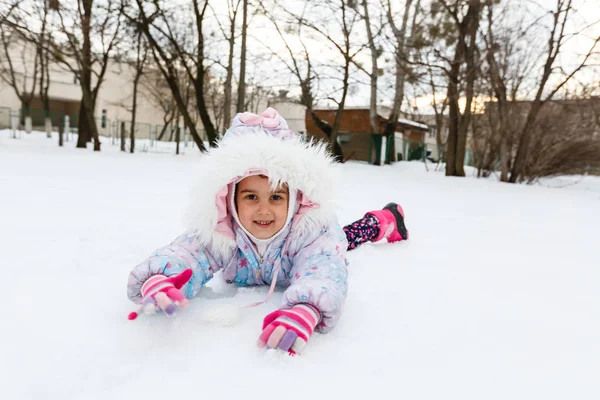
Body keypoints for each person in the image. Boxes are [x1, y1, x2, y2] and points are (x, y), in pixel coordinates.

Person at [126, 108, 408, 355]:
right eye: (250, 197)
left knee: (345, 239)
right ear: (228, 199)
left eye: (275, 197)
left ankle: (384, 219)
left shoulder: (310, 232)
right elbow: (186, 253)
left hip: (318, 240)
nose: (264, 210)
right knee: (344, 238)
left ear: (296, 199)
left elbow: (323, 270)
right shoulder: (221, 232)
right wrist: (162, 278)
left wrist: (307, 309)